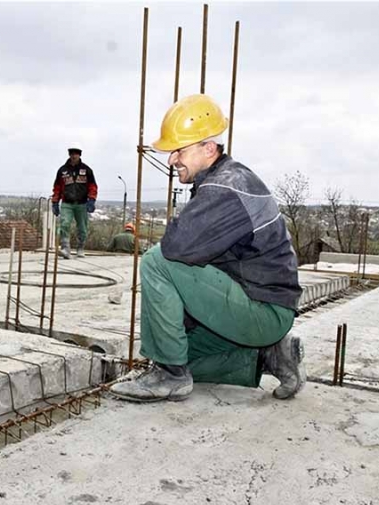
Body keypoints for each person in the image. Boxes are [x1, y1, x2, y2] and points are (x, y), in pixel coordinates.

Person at [110, 94, 305, 402]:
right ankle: (269, 357)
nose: (172, 160)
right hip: (264, 308)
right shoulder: (229, 179)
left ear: (208, 148)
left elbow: (174, 248)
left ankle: (169, 375)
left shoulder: (223, 188)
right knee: (181, 351)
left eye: (178, 151)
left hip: (262, 310)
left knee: (155, 261)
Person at [52, 143, 97, 259]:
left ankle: (80, 248)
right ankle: (65, 248)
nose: (73, 156)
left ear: (79, 156)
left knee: (82, 227)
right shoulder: (62, 171)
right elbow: (57, 187)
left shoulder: (86, 170)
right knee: (64, 224)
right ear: (69, 155)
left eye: (76, 154)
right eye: (72, 154)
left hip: (82, 203)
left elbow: (92, 186)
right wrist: (55, 202)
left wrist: (92, 199)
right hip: (67, 203)